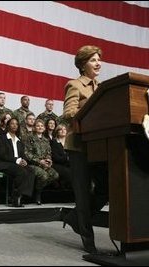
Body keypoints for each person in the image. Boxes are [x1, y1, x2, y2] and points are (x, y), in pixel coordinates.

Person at [61, 45, 103, 253]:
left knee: (106, 188)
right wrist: (92, 110)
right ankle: (88, 239)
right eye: (93, 60)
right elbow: (68, 113)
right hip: (78, 146)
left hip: (99, 146)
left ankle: (74, 217)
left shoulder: (102, 87)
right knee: (84, 193)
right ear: (83, 64)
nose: (98, 63)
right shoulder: (75, 85)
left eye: (99, 59)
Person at [0, 118, 35, 207]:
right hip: (4, 163)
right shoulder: (3, 138)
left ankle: (20, 195)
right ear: (8, 125)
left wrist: (24, 160)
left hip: (17, 163)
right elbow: (2, 155)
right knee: (21, 172)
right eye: (12, 124)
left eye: (16, 124)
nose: (14, 125)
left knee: (31, 171)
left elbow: (22, 154)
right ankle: (15, 197)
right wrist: (17, 160)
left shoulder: (19, 141)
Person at [24, 119, 59, 205]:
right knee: (44, 176)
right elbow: (26, 153)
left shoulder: (46, 140)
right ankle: (38, 195)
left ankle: (37, 189)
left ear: (44, 128)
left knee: (55, 175)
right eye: (38, 126)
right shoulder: (29, 138)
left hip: (44, 165)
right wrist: (39, 161)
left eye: (42, 126)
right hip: (32, 164)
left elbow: (48, 153)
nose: (40, 127)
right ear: (34, 128)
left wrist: (48, 160)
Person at [50, 124, 73, 189]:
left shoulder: (69, 141)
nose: (63, 131)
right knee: (68, 173)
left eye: (64, 129)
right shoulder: (54, 142)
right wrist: (67, 158)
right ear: (57, 132)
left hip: (69, 163)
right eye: (60, 129)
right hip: (58, 164)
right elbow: (55, 157)